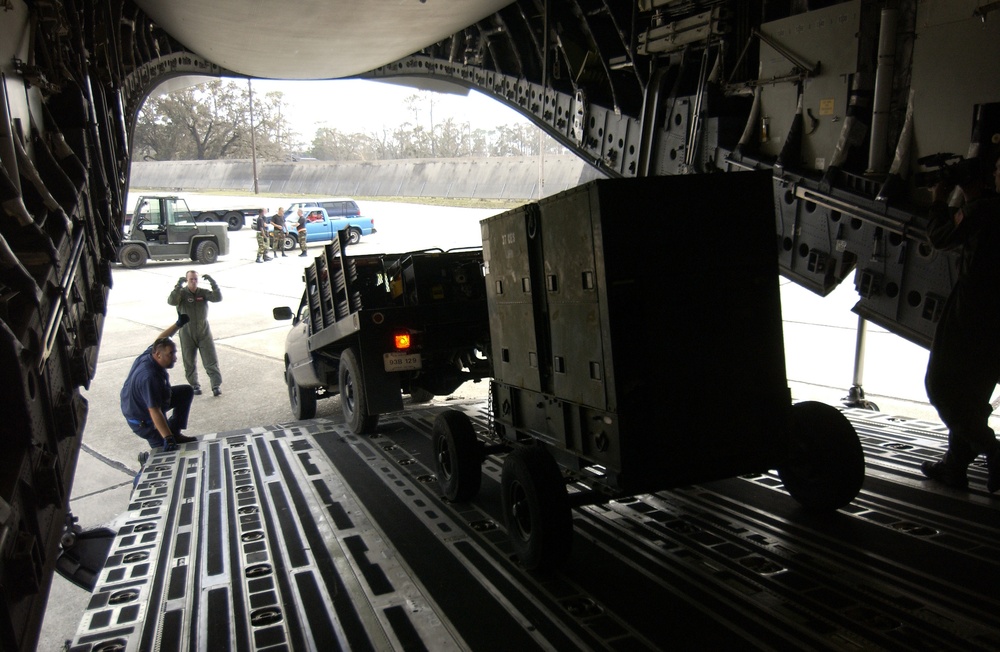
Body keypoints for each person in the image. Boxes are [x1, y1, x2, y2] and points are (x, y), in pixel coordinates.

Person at [921, 152, 1000, 493]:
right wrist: (971, 195)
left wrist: (938, 201)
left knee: (942, 385)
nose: (997, 172)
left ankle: (992, 449)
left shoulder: (987, 210)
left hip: (973, 310)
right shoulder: (986, 208)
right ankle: (955, 465)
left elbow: (940, 236)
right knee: (973, 390)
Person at [120, 316, 197, 450]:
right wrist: (168, 438)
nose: (175, 358)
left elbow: (160, 340)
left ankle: (175, 432)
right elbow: (154, 411)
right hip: (144, 421)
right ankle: (164, 442)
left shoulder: (151, 354)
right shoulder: (149, 377)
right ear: (158, 355)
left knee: (185, 392)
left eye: (174, 353)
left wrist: (178, 324)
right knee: (168, 454)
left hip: (149, 404)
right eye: (170, 354)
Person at [168, 270, 223, 396]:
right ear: (186, 280)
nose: (193, 282)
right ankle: (194, 385)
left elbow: (217, 298)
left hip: (203, 331)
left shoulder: (202, 293)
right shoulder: (181, 293)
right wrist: (178, 286)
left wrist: (213, 283)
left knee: (210, 359)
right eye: (191, 279)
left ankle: (215, 385)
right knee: (189, 361)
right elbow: (171, 301)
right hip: (187, 331)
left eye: (195, 279)